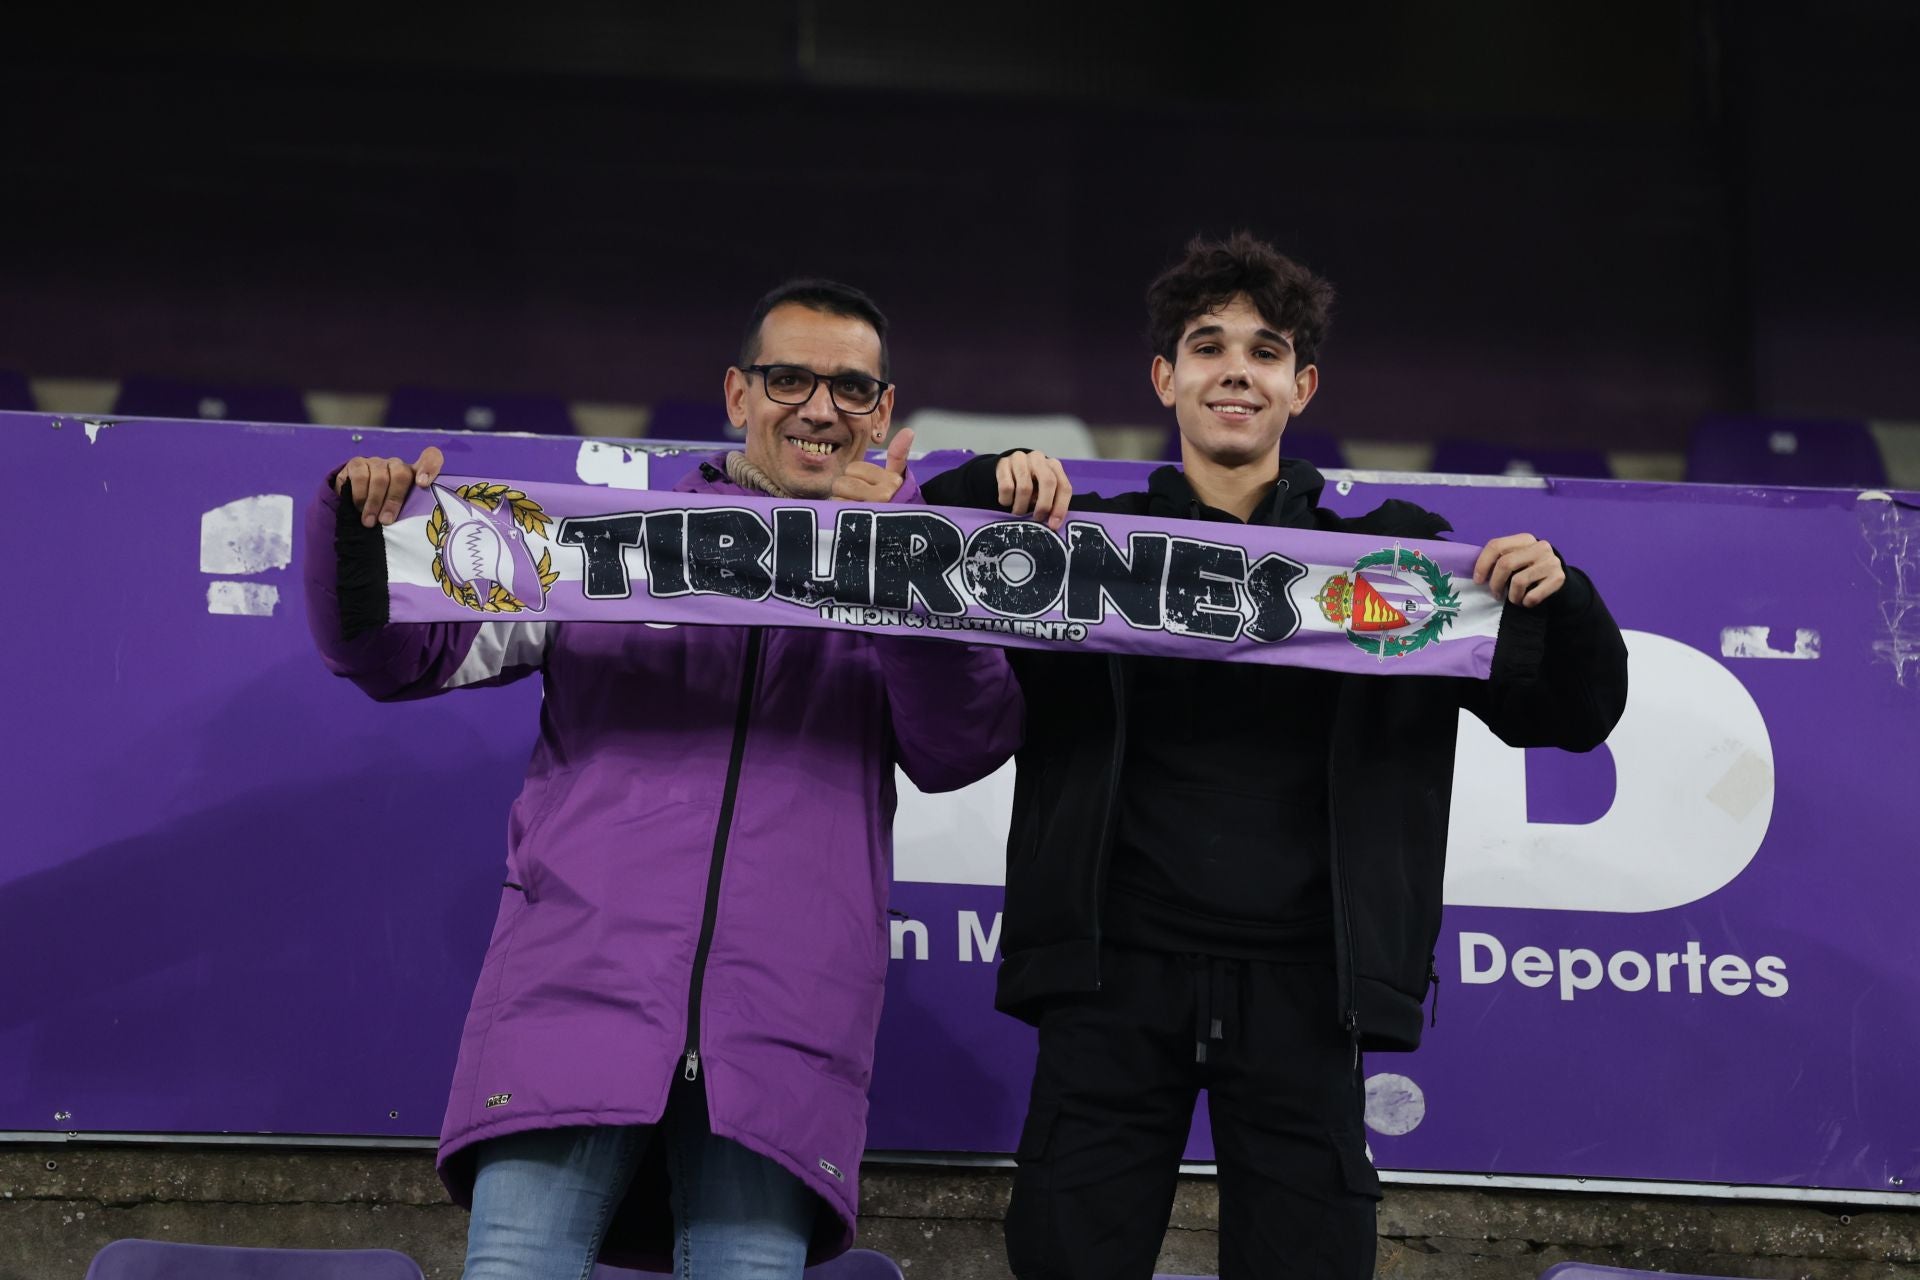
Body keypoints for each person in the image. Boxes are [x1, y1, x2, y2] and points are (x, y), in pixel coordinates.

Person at [921, 232, 1629, 1280]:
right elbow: (914, 573)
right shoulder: (1084, 547)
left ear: (1302, 385)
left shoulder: (1398, 563)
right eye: (1207, 346)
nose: (1235, 369)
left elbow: (1573, 713)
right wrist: (984, 479)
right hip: (1113, 979)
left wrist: (1562, 597)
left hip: (1309, 988)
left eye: (1264, 349)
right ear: (1167, 378)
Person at [306, 279, 1024, 1278]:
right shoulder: (603, 547)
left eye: (851, 388)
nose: (820, 408)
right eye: (790, 379)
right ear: (737, 393)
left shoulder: (904, 560)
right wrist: (354, 530)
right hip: (572, 1004)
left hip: (784, 1032)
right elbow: (400, 653)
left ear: (884, 414)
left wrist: (893, 560)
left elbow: (963, 743)